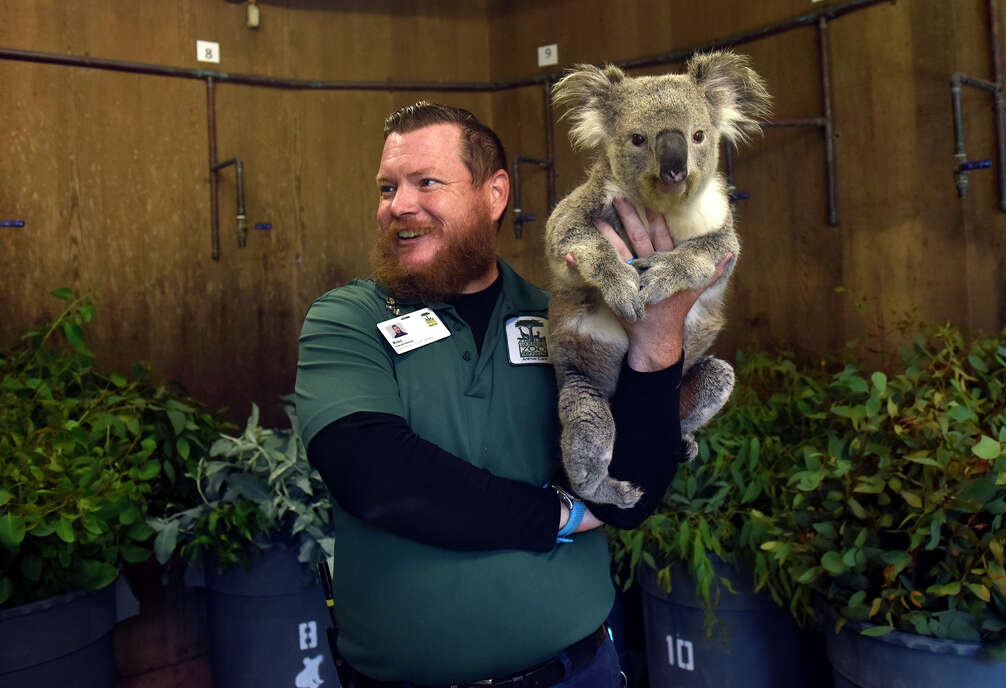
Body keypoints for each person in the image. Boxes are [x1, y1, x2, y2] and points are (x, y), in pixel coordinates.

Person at [293, 102, 729, 688]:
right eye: (387, 187)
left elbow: (632, 491)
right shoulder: (347, 318)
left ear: (494, 193)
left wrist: (657, 346)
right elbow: (378, 477)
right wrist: (565, 515)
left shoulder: (562, 317)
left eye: (426, 182)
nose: (399, 205)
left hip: (577, 674)